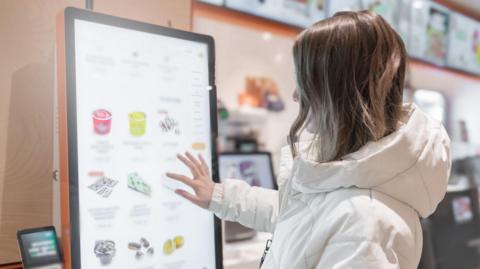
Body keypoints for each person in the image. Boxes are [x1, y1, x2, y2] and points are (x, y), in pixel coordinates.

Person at [166, 10, 451, 269]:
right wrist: (218, 195)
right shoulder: (350, 176)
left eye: (304, 83)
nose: (294, 96)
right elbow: (295, 214)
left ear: (336, 95)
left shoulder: (365, 225)